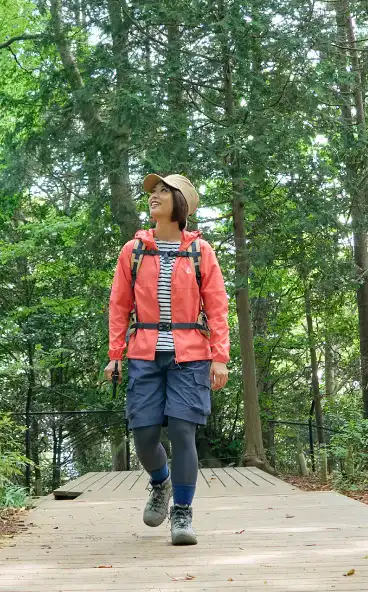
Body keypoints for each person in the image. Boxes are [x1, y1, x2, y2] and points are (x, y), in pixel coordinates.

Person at [105, 173, 230, 546]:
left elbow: (218, 307)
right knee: (143, 436)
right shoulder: (134, 250)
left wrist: (219, 357)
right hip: (143, 353)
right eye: (153, 192)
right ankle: (161, 482)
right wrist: (115, 355)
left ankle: (182, 513)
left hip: (191, 355)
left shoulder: (200, 251)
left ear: (181, 205)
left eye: (163, 191)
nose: (154, 196)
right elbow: (119, 305)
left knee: (181, 431)